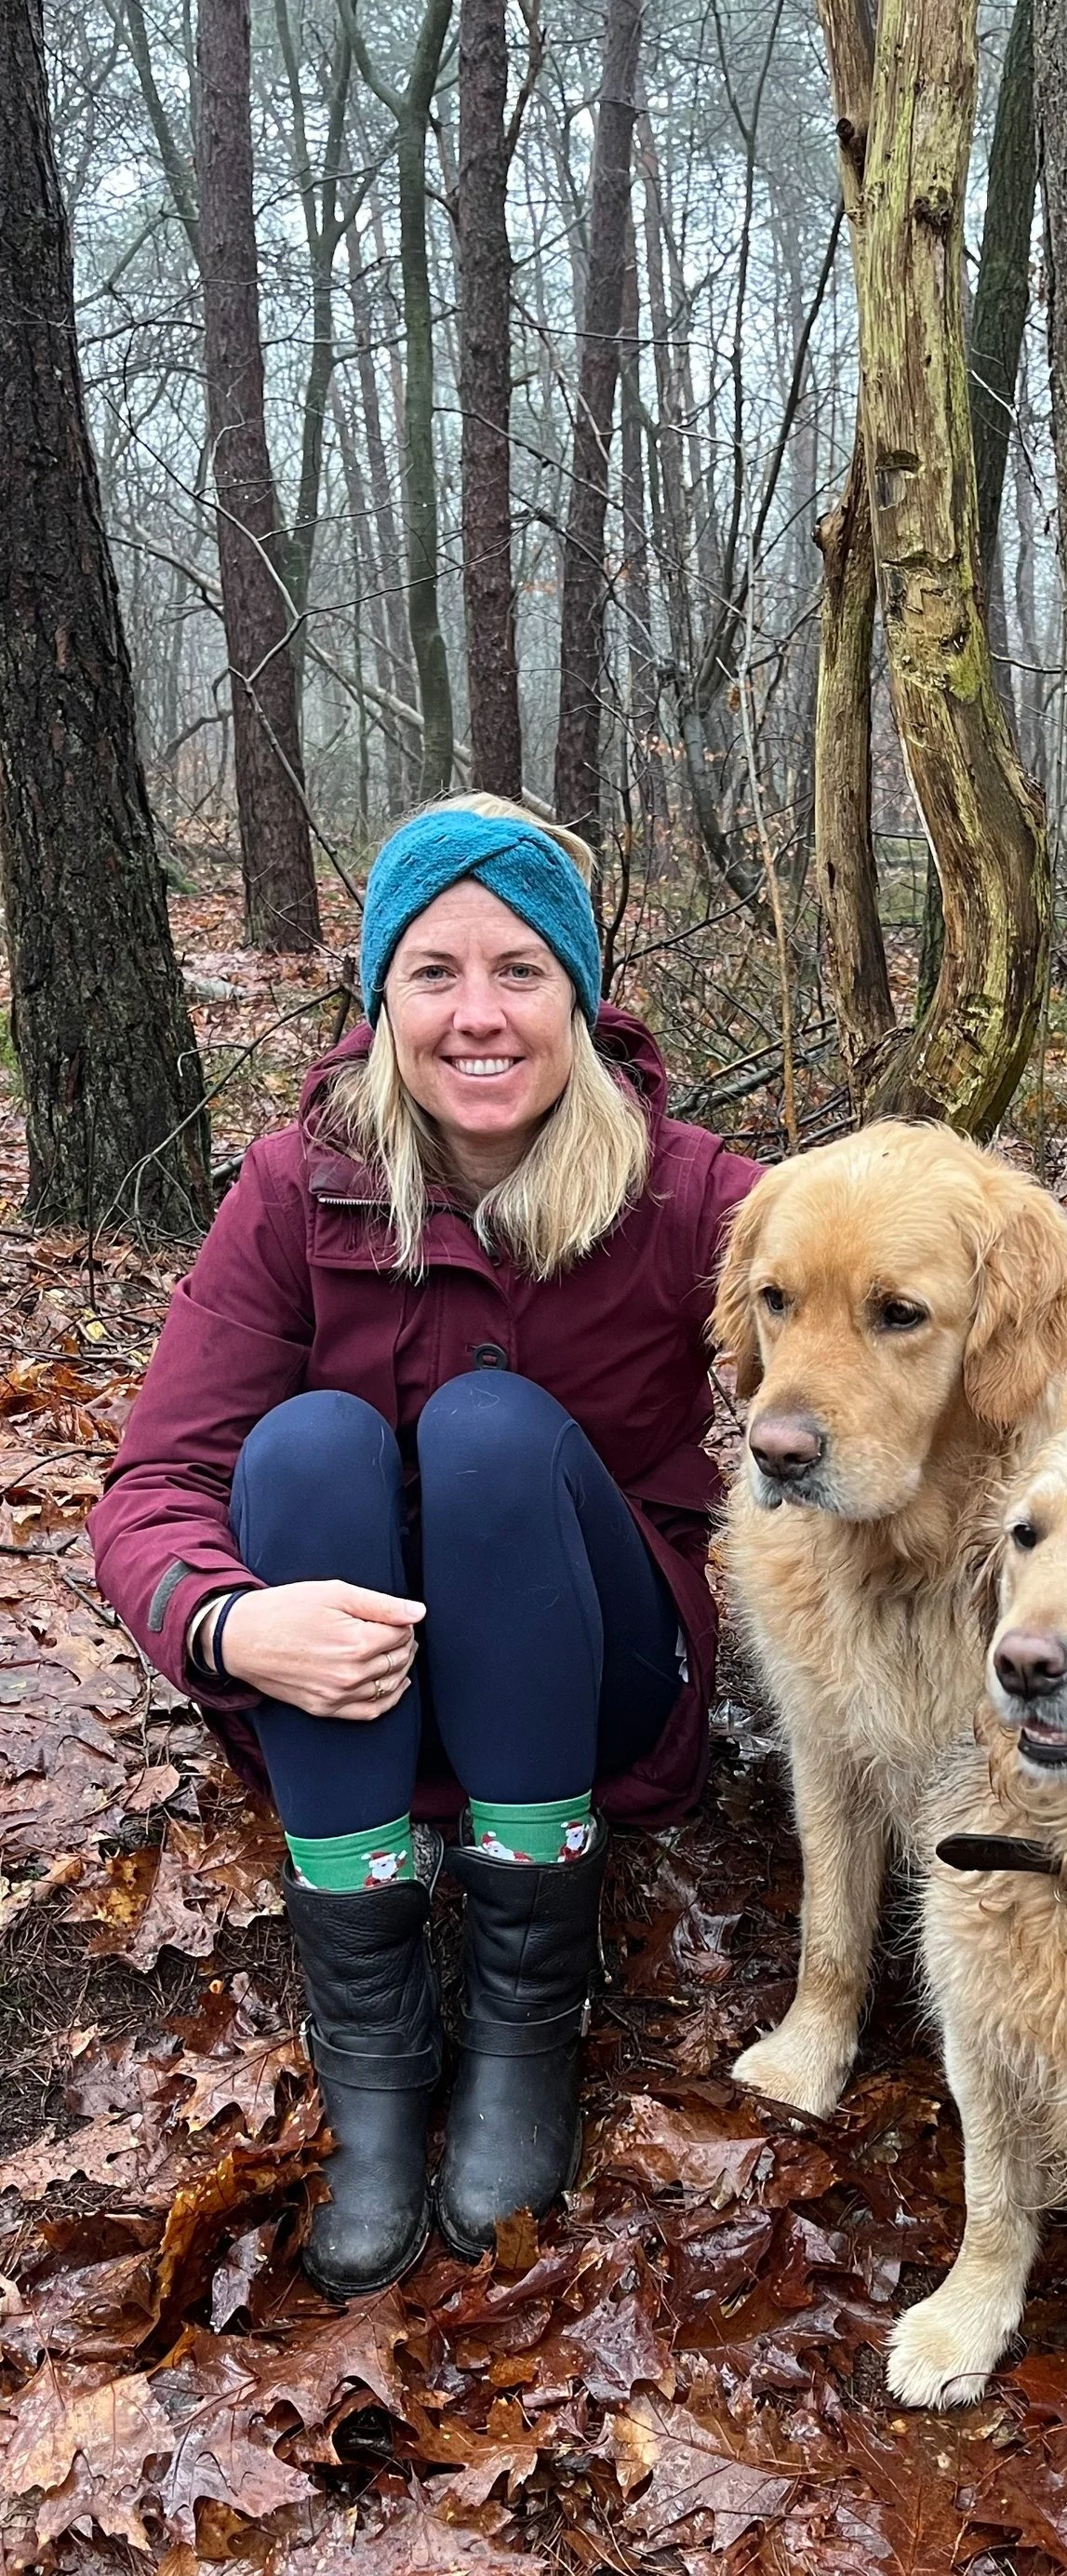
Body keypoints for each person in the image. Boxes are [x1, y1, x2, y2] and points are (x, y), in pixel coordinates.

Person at [91, 797, 760, 2295]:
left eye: (520, 971)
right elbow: (153, 1485)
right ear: (379, 996)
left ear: (578, 993)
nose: (479, 1016)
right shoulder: (296, 1185)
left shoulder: (679, 1184)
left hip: (592, 1677)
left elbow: (885, 1267)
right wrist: (223, 1626)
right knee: (305, 1446)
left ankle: (526, 2032)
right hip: (359, 1704)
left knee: (485, 1431)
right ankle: (378, 2062)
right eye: (435, 973)